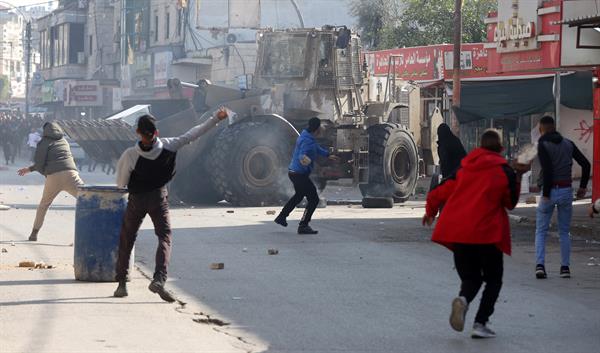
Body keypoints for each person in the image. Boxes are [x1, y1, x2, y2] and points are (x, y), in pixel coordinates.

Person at [113, 108, 228, 302]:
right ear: (156, 133)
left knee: (128, 238)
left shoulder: (130, 155)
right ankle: (159, 279)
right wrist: (216, 118)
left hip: (137, 200)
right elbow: (194, 133)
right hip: (158, 198)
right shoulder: (170, 146)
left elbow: (121, 183)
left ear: (138, 134)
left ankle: (122, 284)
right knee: (164, 238)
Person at [423, 129, 528, 339]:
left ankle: (463, 301)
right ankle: (480, 322)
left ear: (479, 147)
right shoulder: (504, 170)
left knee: (471, 278)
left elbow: (440, 191)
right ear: (501, 148)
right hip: (487, 235)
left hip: (459, 234)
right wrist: (518, 175)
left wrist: (430, 212)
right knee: (493, 279)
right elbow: (510, 203)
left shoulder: (464, 167)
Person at [534, 116, 590, 279]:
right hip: (566, 190)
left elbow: (548, 169)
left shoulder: (542, 144)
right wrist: (583, 187)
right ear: (554, 127)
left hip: (549, 191)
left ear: (541, 129)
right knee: (564, 231)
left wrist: (545, 194)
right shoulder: (568, 144)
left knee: (541, 230)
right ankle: (565, 268)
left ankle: (540, 266)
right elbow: (586, 164)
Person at [17, 122, 84, 242]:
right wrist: (31, 169)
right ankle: (93, 231)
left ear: (45, 131)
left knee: (43, 205)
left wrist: (46, 173)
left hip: (54, 176)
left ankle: (34, 234)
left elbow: (39, 163)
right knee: (87, 199)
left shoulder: (44, 142)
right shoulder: (64, 141)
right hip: (71, 174)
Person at [274, 118, 338, 234]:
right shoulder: (307, 141)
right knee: (314, 199)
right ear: (317, 129)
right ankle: (303, 225)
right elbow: (302, 154)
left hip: (294, 172)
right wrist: (305, 160)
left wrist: (328, 155)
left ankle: (281, 217)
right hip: (299, 174)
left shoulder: (307, 136)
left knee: (298, 196)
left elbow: (316, 148)